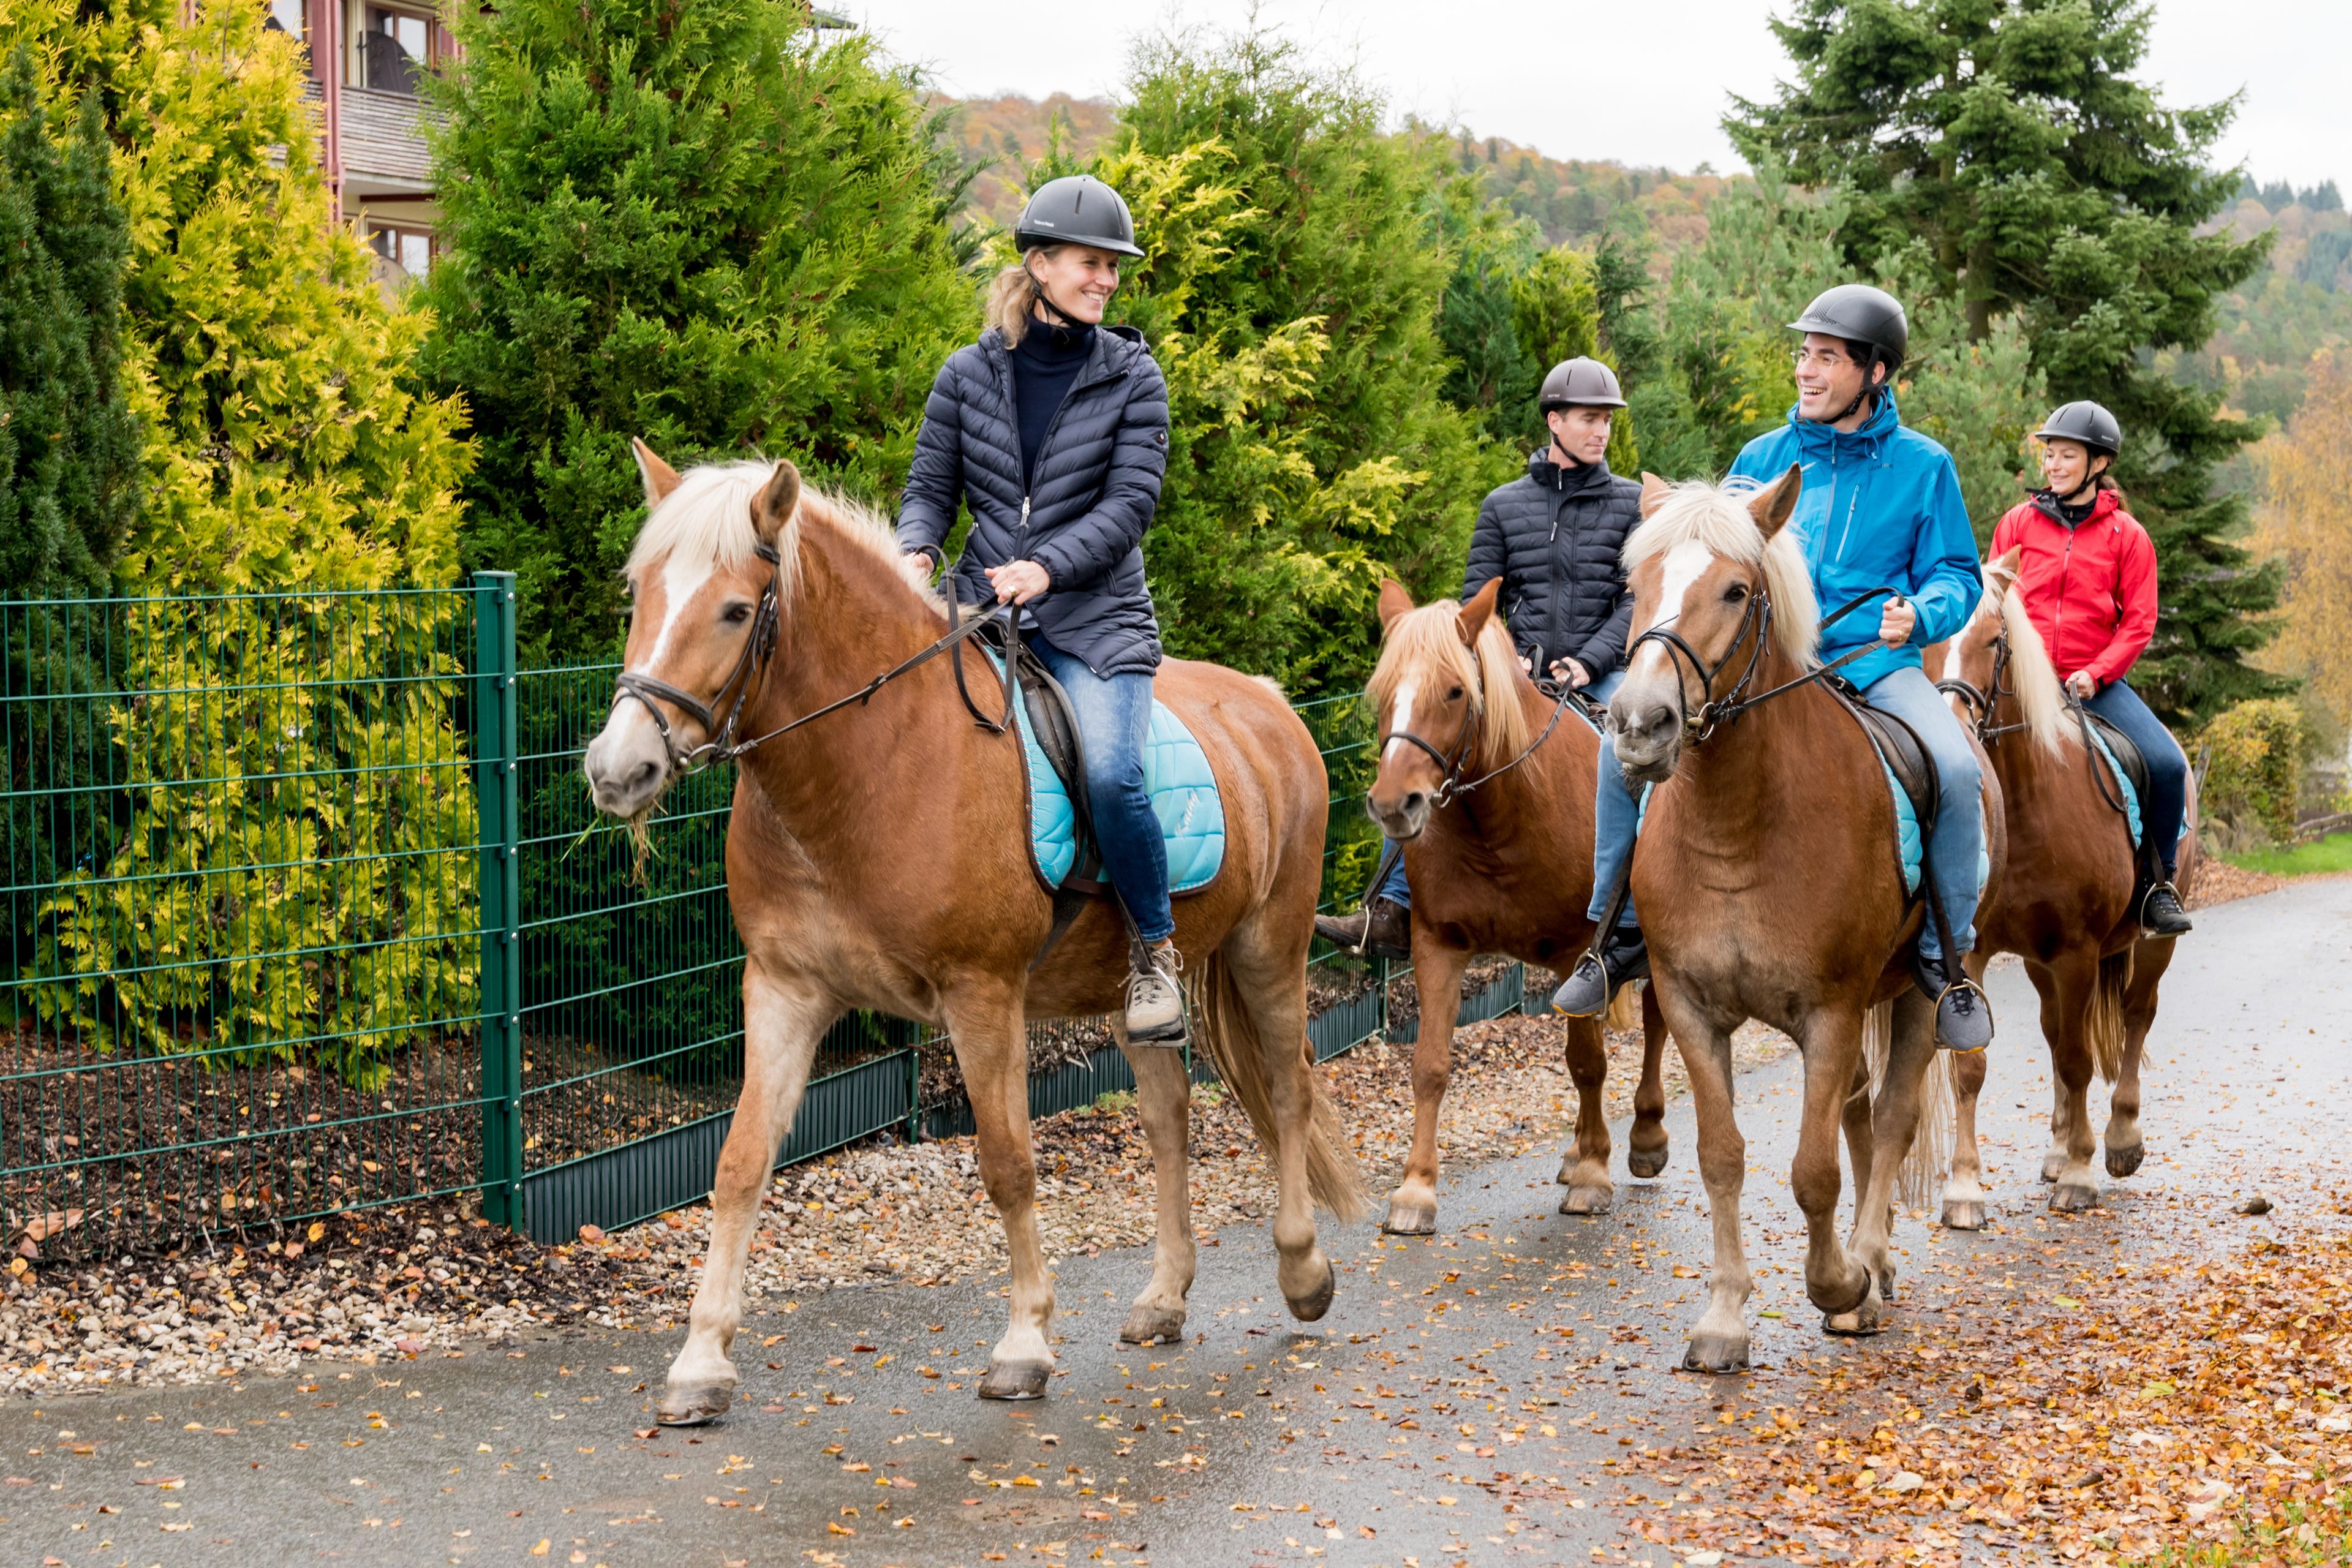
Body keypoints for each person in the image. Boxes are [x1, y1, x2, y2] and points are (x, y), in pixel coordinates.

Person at [1552, 284, 1997, 1052]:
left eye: (1827, 357)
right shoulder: (1760, 458)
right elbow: (1714, 562)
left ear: (1875, 372)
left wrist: (1921, 615)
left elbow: (1958, 573)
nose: (1806, 370)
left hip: (1875, 662)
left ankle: (1946, 959)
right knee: (1616, 748)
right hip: (1771, 666)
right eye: (1804, 353)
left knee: (1956, 770)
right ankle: (1614, 936)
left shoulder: (1925, 466)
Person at [894, 176, 1189, 1044]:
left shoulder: (1134, 377)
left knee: (1112, 774)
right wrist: (917, 548)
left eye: (1114, 267)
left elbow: (1130, 506)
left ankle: (1155, 955)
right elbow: (929, 488)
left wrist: (1048, 568)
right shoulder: (966, 373)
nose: (1107, 280)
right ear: (1040, 264)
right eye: (1091, 263)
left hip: (1098, 626)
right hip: (981, 611)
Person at [1313, 358, 1646, 961]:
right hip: (1517, 674)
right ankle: (1390, 909)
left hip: (1605, 672)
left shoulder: (1632, 504)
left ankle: (1641, 909)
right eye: (1589, 418)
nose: (1601, 431)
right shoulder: (1503, 506)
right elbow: (1476, 604)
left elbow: (1636, 599)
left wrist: (1589, 662)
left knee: (1634, 754)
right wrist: (1507, 660)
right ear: (1554, 421)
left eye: (1607, 420)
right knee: (1431, 746)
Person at [1991, 401, 2193, 936]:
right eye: (2049, 455)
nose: (2053, 465)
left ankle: (2157, 886)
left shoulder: (2128, 536)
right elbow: (1993, 603)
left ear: (2099, 463)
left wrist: (2096, 673)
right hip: (2019, 683)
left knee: (2167, 765)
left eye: (2067, 456)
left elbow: (2140, 622)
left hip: (2092, 684)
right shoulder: (2016, 524)